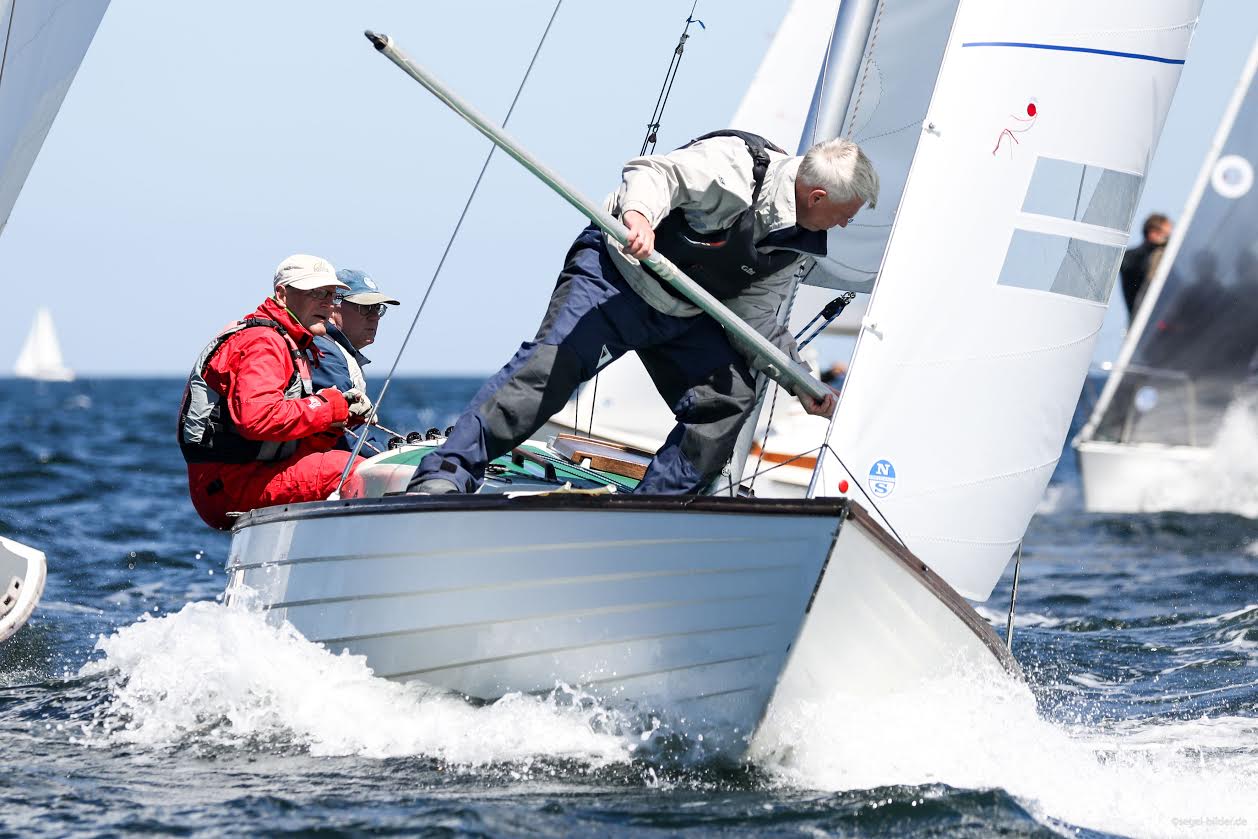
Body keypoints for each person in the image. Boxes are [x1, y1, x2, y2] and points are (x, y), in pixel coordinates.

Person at [409, 130, 879, 495]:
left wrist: (799, 382)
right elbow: (655, 174)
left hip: (685, 309)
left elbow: (754, 316)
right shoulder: (736, 167)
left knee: (726, 400)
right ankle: (448, 471)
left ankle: (654, 509)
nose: (844, 225)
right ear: (817, 197)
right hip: (615, 275)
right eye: (845, 214)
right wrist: (637, 218)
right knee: (548, 371)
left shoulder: (797, 244)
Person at [178, 254, 374, 529]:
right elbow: (258, 419)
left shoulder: (292, 341)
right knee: (355, 471)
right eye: (316, 293)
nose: (328, 304)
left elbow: (285, 436)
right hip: (230, 484)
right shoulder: (263, 342)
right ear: (282, 295)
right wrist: (330, 407)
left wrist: (338, 419)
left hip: (247, 473)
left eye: (331, 294)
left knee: (351, 464)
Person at [311, 268, 401, 454]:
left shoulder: (337, 350)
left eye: (378, 308)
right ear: (333, 305)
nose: (375, 316)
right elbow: (347, 434)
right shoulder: (325, 352)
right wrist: (384, 457)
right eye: (365, 307)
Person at [1120, 213, 1172, 318]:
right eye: (1167, 236)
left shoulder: (1165, 257)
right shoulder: (1131, 257)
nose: (1170, 241)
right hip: (1144, 321)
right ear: (1153, 234)